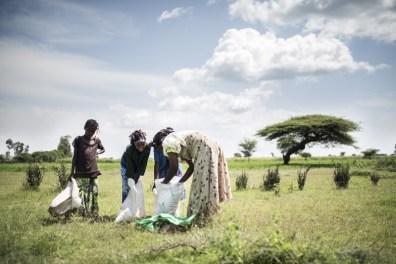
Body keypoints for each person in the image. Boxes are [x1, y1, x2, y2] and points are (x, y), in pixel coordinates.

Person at [152, 129, 232, 222]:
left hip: (204, 148)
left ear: (160, 144)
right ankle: (206, 217)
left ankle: (201, 218)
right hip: (211, 145)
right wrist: (180, 182)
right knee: (206, 183)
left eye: (158, 148)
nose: (160, 151)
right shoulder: (178, 141)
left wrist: (164, 183)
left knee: (201, 185)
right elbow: (191, 167)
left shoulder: (168, 142)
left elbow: (173, 167)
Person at [70, 119, 105, 217]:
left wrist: (97, 152)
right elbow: (75, 157)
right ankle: (82, 213)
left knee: (94, 193)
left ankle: (93, 212)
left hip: (93, 172)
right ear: (85, 128)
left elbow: (103, 149)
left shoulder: (97, 140)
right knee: (81, 194)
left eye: (93, 131)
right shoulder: (78, 140)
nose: (90, 133)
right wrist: (71, 172)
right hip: (81, 172)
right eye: (89, 130)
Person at [120, 129, 151, 216]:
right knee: (126, 188)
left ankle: (135, 210)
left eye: (143, 143)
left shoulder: (147, 148)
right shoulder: (129, 149)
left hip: (138, 166)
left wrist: (138, 176)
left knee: (136, 188)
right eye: (138, 144)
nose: (141, 146)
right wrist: (131, 180)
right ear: (133, 143)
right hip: (126, 166)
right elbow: (129, 167)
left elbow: (144, 163)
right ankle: (125, 210)